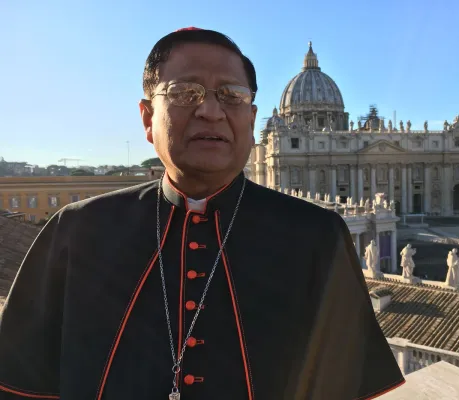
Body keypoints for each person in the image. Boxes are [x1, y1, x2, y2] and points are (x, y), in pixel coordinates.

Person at [0, 28, 404, 400]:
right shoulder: (75, 231)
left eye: (231, 96)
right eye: (185, 93)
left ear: (251, 119)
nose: (211, 111)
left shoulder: (319, 234)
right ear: (146, 118)